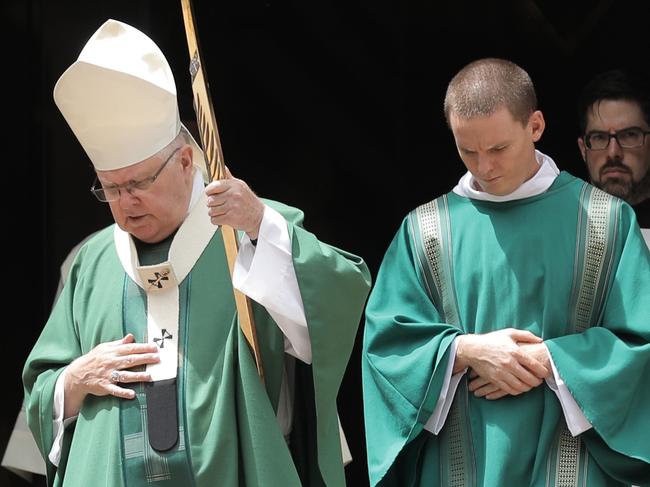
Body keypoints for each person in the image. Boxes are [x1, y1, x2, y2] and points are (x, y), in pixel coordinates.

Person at [22, 19, 371, 487]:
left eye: (139, 182)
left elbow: (337, 302)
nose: (126, 202)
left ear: (186, 161)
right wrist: (75, 379)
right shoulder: (93, 263)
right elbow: (42, 391)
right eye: (110, 188)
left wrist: (258, 226)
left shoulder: (247, 230)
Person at [362, 57, 650, 486]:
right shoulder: (425, 231)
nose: (484, 166)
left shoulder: (606, 221)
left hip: (573, 466)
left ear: (535, 126)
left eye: (498, 148)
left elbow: (639, 340)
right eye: (468, 150)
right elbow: (387, 347)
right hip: (458, 467)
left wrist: (549, 360)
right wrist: (463, 352)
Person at [576, 68, 650, 246]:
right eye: (599, 137)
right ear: (583, 149)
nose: (613, 152)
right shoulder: (561, 228)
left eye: (630, 135)